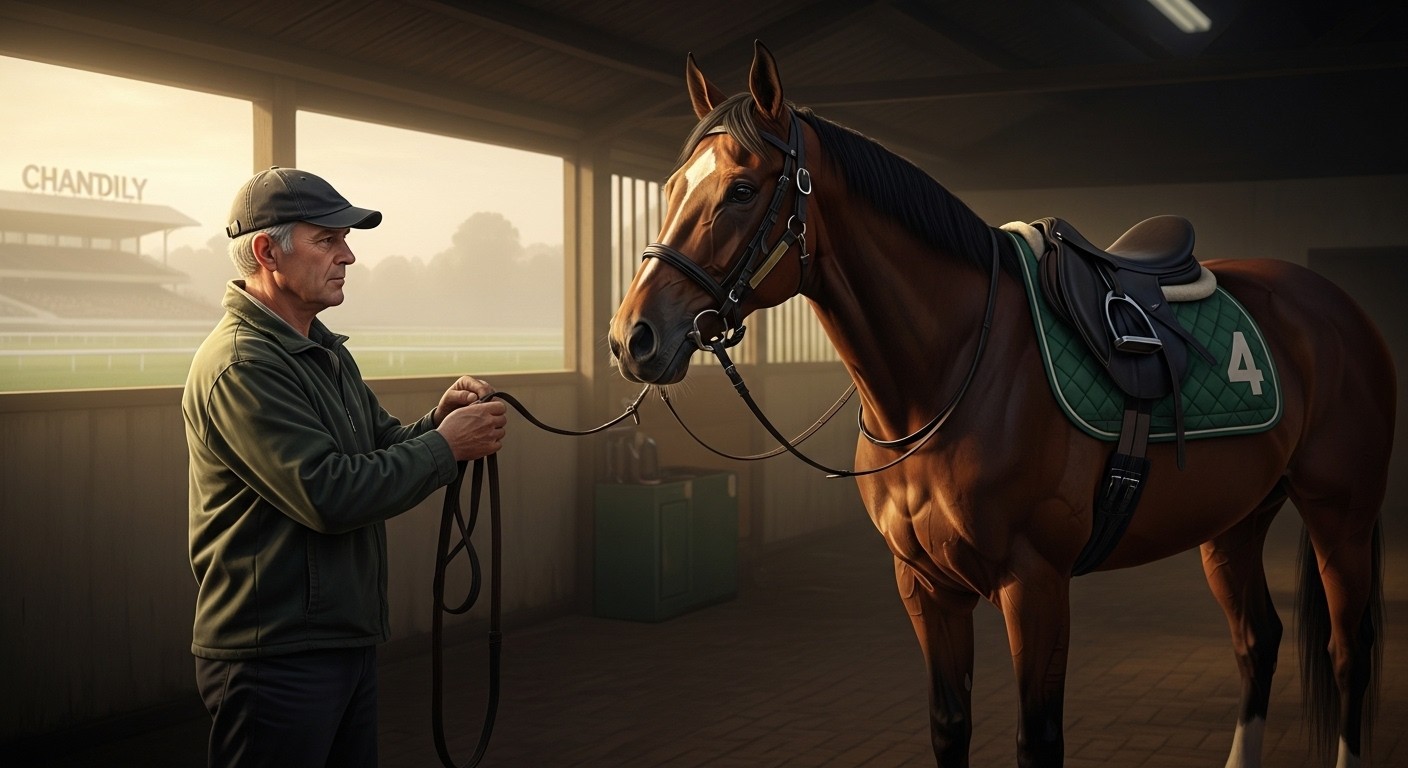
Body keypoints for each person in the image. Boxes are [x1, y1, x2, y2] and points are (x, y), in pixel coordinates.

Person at [182, 167, 508, 768]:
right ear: (267, 253)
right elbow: (328, 493)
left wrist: (439, 422)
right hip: (274, 654)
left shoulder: (321, 350)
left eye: (345, 240)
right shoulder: (243, 365)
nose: (349, 256)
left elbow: (379, 447)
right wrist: (447, 448)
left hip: (336, 640)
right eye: (327, 240)